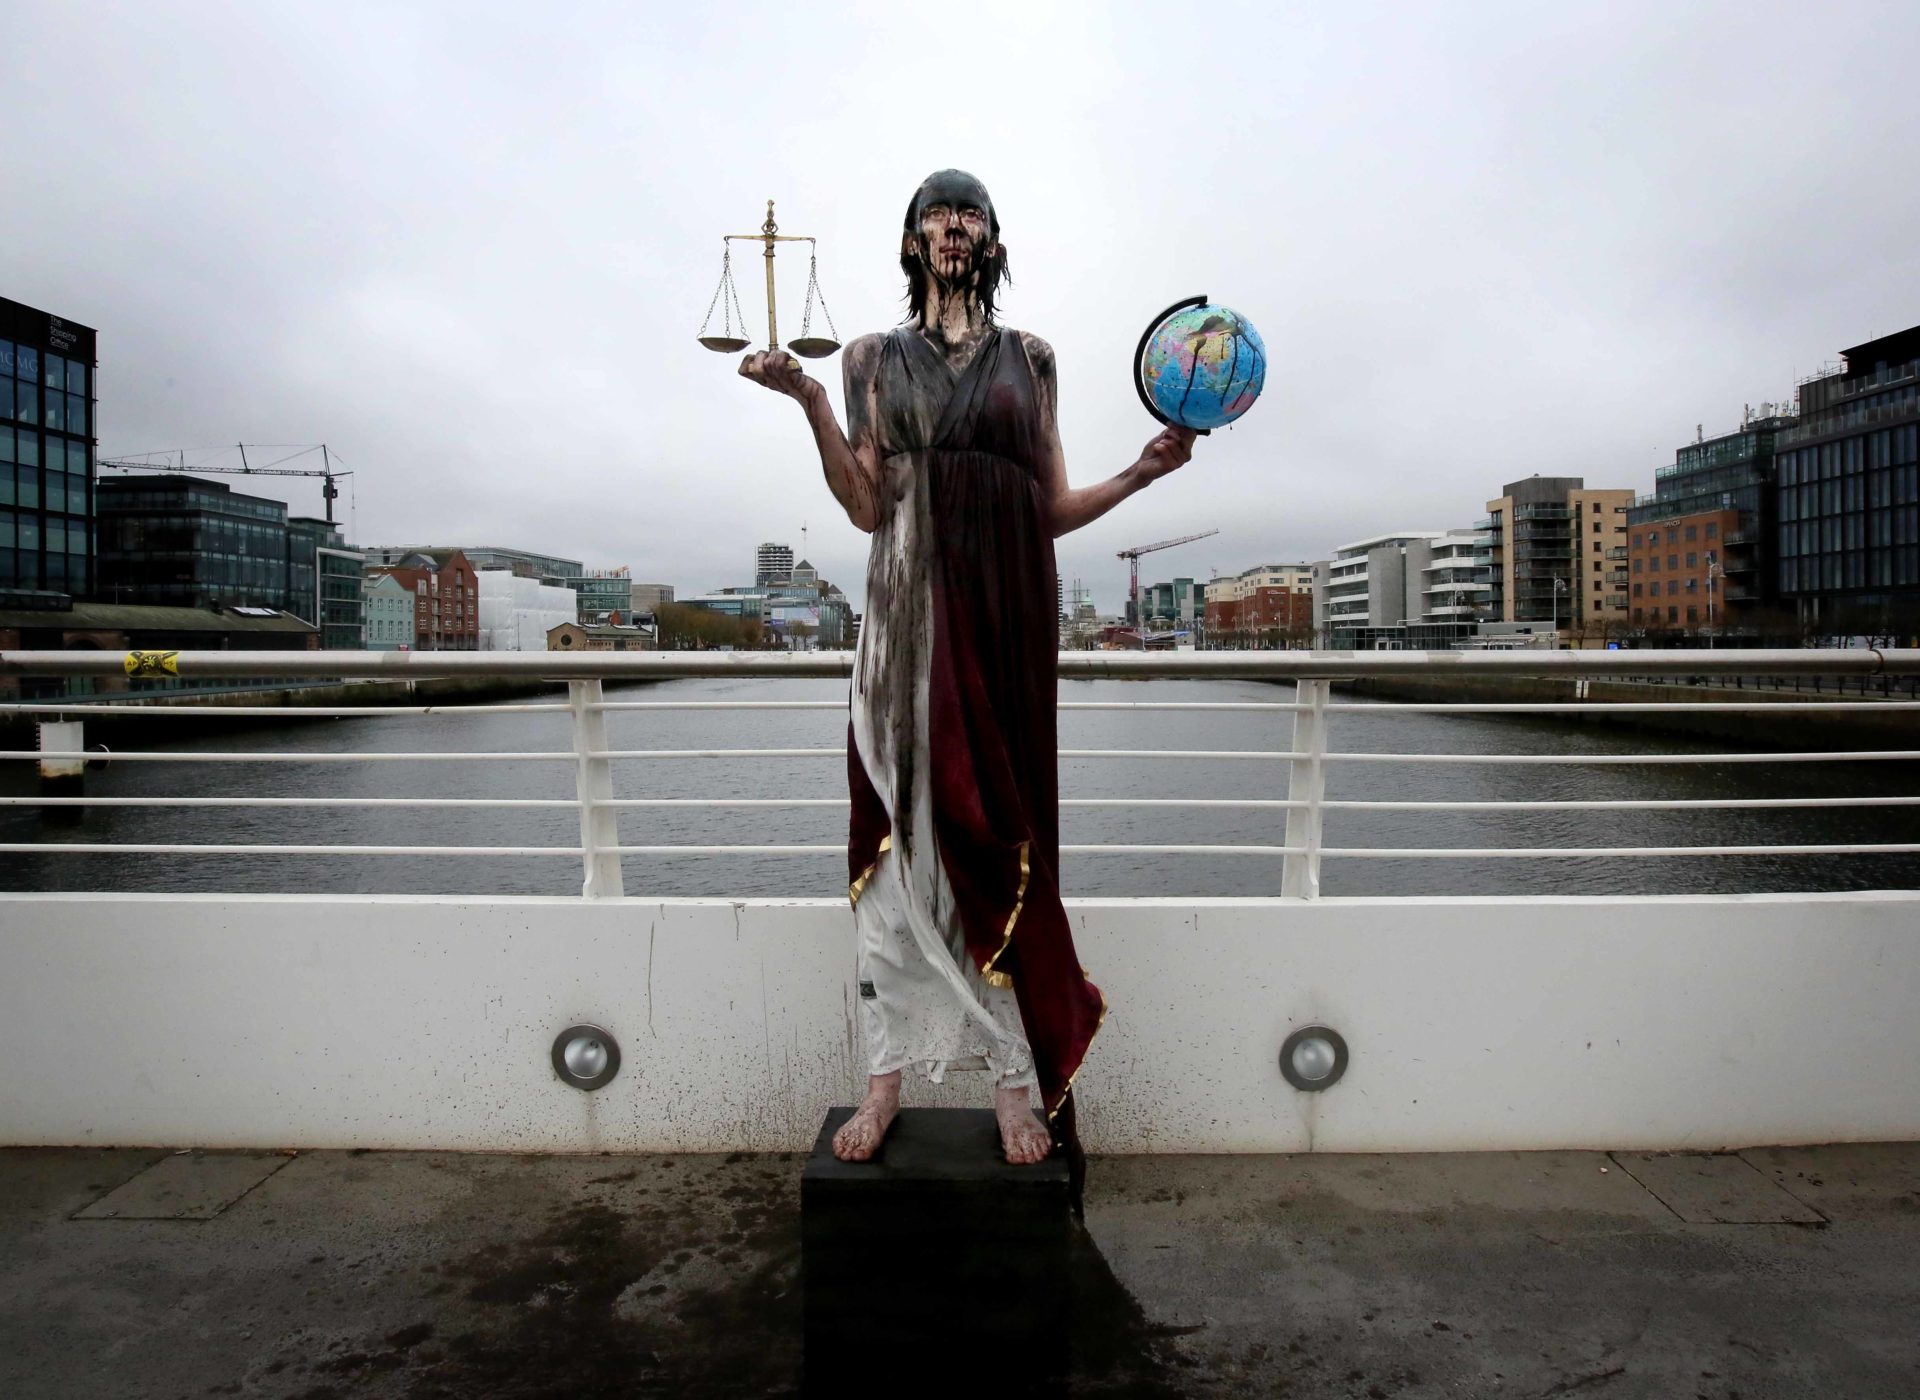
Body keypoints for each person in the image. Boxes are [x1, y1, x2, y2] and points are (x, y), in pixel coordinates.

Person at [741, 170, 1196, 1165]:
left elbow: (1051, 505)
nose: (955, 225)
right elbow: (865, 506)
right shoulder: (869, 356)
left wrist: (1142, 472)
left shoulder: (1031, 361)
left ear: (992, 238)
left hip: (1001, 630)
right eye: (936, 215)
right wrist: (814, 399)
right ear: (912, 242)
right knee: (896, 855)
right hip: (903, 626)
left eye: (971, 213)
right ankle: (884, 1079)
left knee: (993, 842)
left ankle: (1012, 1081)